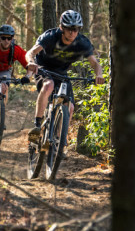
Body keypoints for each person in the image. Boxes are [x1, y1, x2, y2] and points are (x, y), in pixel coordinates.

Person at [25, 10, 105, 142]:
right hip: (44, 68)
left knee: (70, 107)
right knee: (48, 85)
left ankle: (59, 139)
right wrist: (30, 62)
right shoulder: (50, 36)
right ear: (61, 27)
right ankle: (37, 126)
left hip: (62, 73)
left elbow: (95, 63)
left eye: (75, 29)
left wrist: (99, 74)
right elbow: (31, 52)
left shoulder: (82, 42)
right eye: (68, 29)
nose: (72, 32)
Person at [0, 24, 32, 103]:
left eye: (9, 38)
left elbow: (30, 65)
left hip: (4, 72)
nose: (6, 41)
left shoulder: (16, 50)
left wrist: (27, 77)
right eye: (3, 38)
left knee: (4, 88)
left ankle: (0, 111)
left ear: (12, 39)